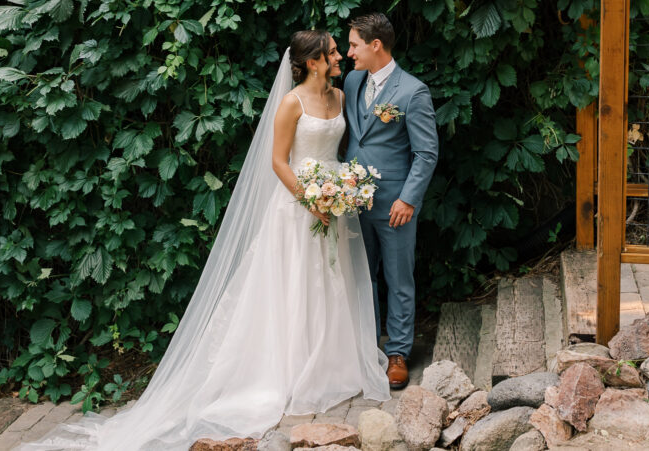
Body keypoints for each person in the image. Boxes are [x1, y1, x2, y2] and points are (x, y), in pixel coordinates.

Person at [20, 30, 388, 450]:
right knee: (294, 284)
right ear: (313, 61)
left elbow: (336, 152)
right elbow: (277, 161)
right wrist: (310, 200)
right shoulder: (291, 103)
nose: (340, 55)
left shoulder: (340, 97)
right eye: (333, 52)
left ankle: (330, 364)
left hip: (333, 206)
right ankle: (289, 369)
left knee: (330, 282)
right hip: (296, 208)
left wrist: (340, 191)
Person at [344, 13, 439, 390]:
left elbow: (426, 153)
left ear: (375, 45)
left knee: (398, 278)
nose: (349, 53)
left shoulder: (412, 91)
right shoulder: (352, 82)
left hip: (395, 204)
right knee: (359, 278)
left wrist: (408, 199)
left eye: (354, 45)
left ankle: (397, 353)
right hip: (351, 202)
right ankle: (366, 349)